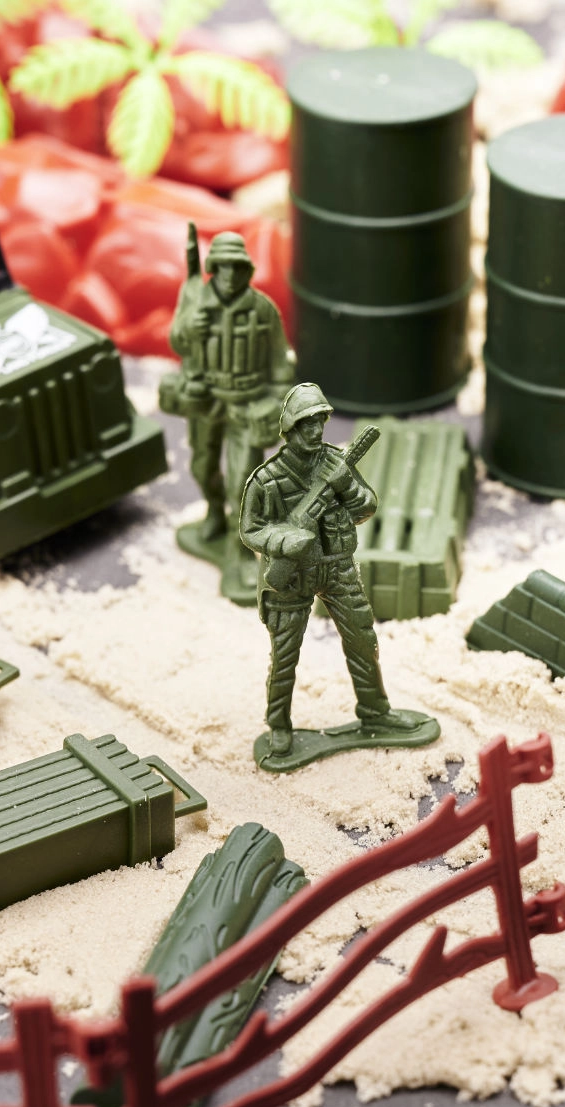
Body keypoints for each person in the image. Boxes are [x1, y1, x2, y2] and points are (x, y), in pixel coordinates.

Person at [241, 383, 420, 758]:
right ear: (290, 429)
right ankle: (278, 725)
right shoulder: (267, 479)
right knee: (285, 656)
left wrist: (346, 487)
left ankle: (376, 713)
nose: (315, 431)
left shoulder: (336, 463)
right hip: (291, 577)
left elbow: (366, 507)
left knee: (363, 641)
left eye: (319, 422)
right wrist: (286, 541)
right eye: (306, 424)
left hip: (338, 569)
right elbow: (250, 529)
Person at [165, 231, 293, 545]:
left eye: (237, 267)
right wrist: (189, 329)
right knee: (202, 466)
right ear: (213, 267)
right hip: (206, 399)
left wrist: (276, 400)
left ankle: (239, 544)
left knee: (245, 481)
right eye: (223, 266)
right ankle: (213, 512)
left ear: (246, 270)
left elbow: (280, 361)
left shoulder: (262, 309)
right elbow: (177, 343)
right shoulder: (196, 299)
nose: (230, 274)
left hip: (248, 403)